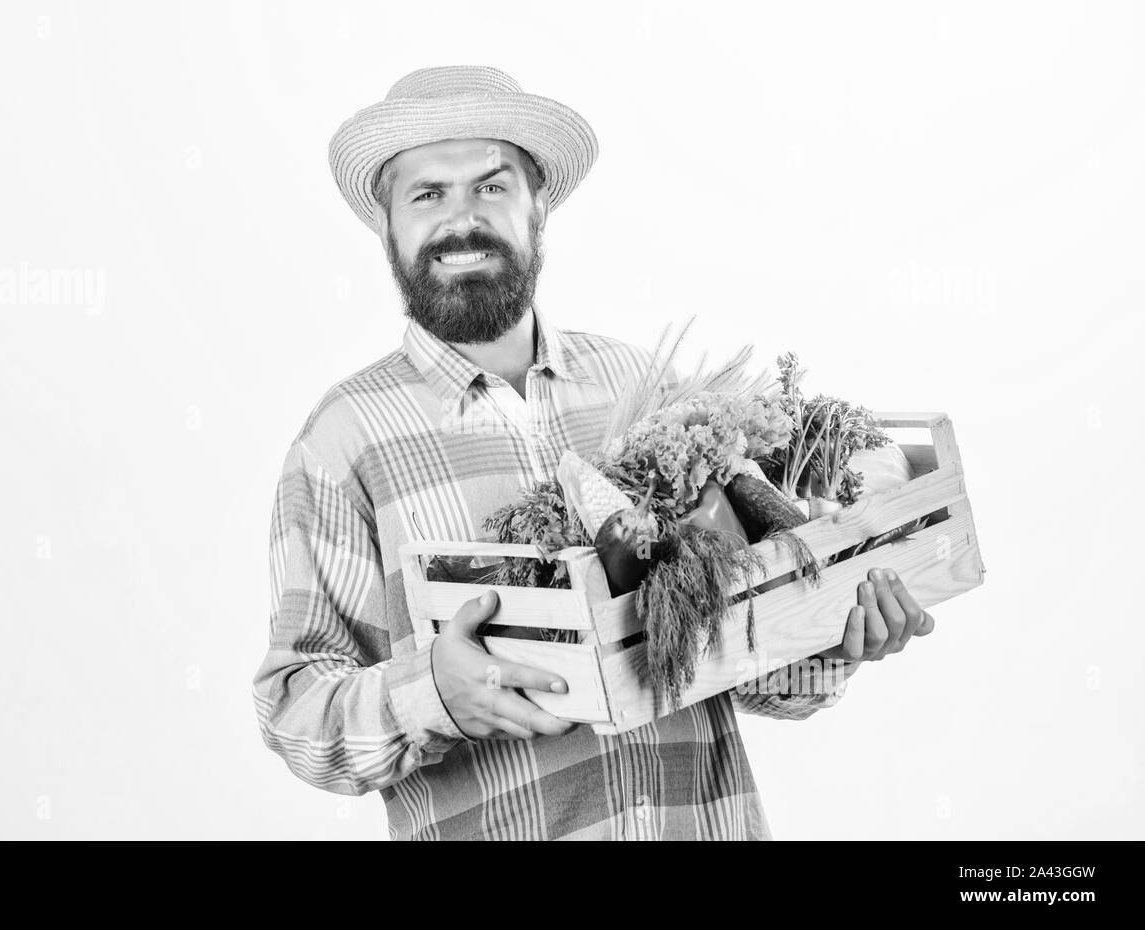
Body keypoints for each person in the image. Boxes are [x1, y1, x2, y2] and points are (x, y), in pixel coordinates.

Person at [252, 65, 934, 840]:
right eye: (428, 194)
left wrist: (831, 641)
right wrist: (430, 694)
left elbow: (740, 657)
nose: (462, 219)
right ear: (388, 228)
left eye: (491, 186)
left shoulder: (644, 387)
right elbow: (297, 711)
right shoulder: (341, 442)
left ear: (538, 205)